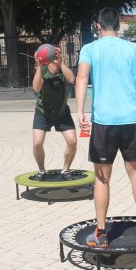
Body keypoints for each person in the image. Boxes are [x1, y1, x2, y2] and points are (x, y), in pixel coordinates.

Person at [76, 7, 136, 248]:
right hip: (131, 120)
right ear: (118, 26)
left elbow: (82, 78)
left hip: (104, 122)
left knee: (102, 179)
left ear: (97, 25)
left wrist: (80, 110)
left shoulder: (90, 49)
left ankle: (102, 233)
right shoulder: (133, 48)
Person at [31, 46, 77, 181]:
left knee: (72, 141)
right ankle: (41, 170)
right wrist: (39, 66)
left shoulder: (64, 70)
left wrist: (61, 63)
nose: (55, 59)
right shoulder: (43, 70)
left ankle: (65, 170)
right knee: (37, 143)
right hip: (42, 112)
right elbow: (36, 87)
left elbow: (72, 79)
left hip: (62, 112)